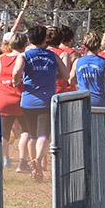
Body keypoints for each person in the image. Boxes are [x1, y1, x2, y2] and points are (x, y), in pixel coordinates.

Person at [12, 24, 68, 183]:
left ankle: (32, 165)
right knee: (44, 133)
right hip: (46, 99)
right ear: (45, 39)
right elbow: (66, 74)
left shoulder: (24, 56)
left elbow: (16, 72)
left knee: (31, 134)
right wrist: (52, 77)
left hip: (28, 100)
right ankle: (37, 158)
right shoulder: (53, 56)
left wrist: (17, 81)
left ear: (29, 39)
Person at [0, 31, 27, 169]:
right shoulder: (25, 58)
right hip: (20, 98)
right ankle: (22, 162)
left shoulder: (0, 60)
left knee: (4, 134)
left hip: (2, 98)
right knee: (26, 130)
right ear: (24, 44)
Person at [73, 31, 105, 126]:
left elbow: (70, 80)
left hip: (83, 100)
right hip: (100, 101)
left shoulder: (77, 62)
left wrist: (81, 80)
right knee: (101, 131)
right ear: (99, 45)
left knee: (84, 129)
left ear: (85, 46)